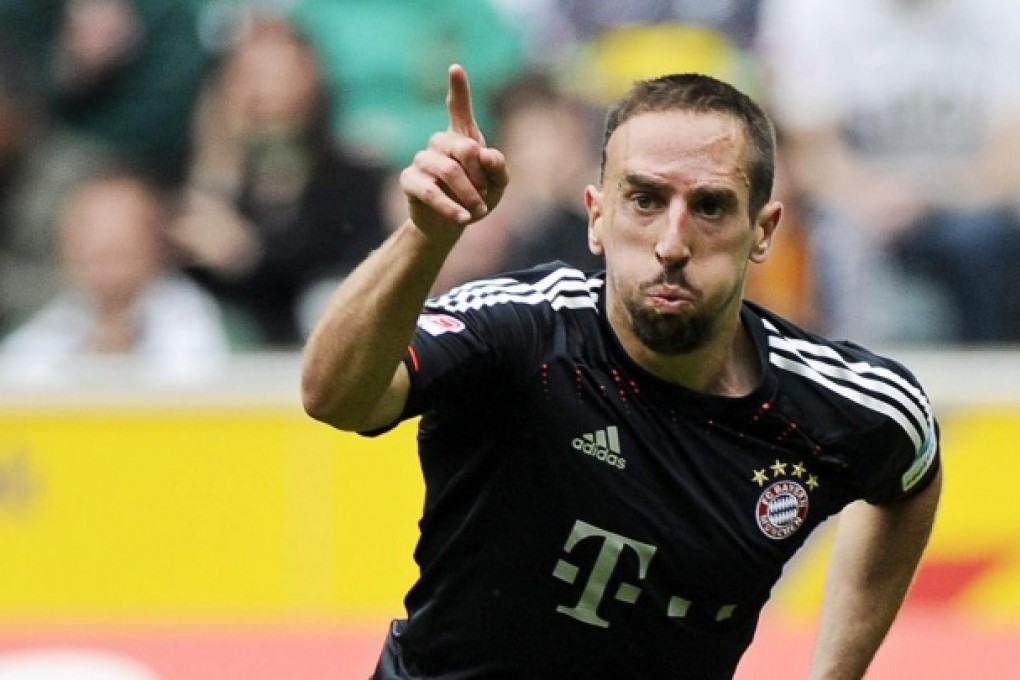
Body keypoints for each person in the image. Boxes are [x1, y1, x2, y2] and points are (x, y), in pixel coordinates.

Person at [302, 65, 942, 679]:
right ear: (597, 216)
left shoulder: (832, 407)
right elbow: (333, 396)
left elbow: (911, 466)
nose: (671, 243)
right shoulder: (523, 332)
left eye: (710, 207)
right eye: (644, 200)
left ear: (763, 230)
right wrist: (425, 238)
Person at [760, 0, 1020, 344]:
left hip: (970, 199)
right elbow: (811, 151)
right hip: (852, 201)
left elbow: (1011, 154)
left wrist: (928, 194)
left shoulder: (1003, 10)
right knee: (839, 239)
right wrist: (870, 195)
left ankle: (994, 371)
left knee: (980, 238)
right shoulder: (810, 9)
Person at [0, 172, 230, 384]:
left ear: (158, 244)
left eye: (121, 239)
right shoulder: (30, 335)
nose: (102, 247)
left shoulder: (221, 331)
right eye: (87, 231)